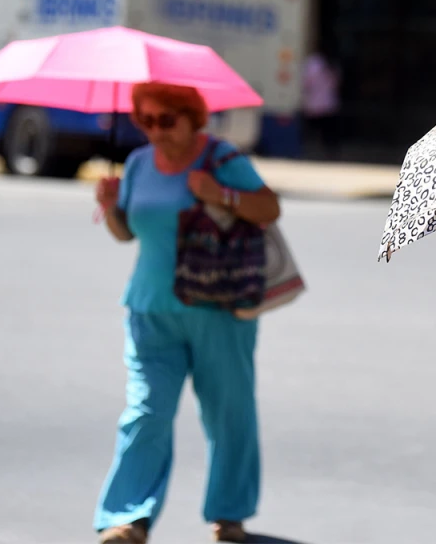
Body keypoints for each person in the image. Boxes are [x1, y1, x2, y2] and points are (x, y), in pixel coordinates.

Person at [93, 82, 281, 544]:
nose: (155, 131)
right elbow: (127, 235)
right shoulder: (138, 164)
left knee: (229, 412)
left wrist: (220, 194)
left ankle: (229, 514)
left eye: (166, 120)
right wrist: (110, 207)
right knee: (146, 413)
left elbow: (269, 208)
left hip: (217, 307)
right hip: (150, 310)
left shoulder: (221, 159)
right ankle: (127, 518)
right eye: (147, 121)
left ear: (193, 117)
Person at [301, 51, 341, 159]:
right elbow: (337, 84)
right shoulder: (333, 66)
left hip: (314, 104)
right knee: (327, 133)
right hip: (328, 104)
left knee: (312, 132)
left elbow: (306, 82)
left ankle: (310, 153)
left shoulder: (313, 63)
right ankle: (328, 154)